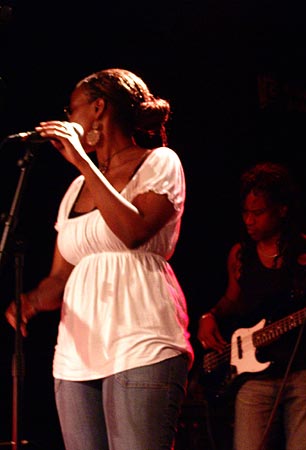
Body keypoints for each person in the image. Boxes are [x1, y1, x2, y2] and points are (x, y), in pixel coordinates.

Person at [4, 68, 194, 450]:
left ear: (98, 109)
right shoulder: (76, 187)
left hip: (141, 342)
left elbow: (133, 232)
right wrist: (31, 300)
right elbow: (60, 277)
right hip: (77, 355)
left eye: (71, 109)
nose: (68, 117)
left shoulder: (159, 162)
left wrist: (83, 164)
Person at [197, 161, 306, 450]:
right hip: (254, 377)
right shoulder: (240, 255)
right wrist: (209, 316)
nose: (249, 220)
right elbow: (232, 299)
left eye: (258, 213)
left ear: (282, 210)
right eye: (245, 213)